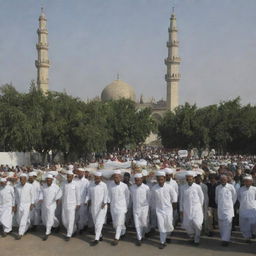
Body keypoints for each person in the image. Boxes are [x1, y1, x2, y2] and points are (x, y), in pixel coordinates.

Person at [151, 171, 177, 249]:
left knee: (168, 224)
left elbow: (174, 197)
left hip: (168, 210)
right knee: (161, 226)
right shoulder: (154, 188)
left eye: (162, 179)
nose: (160, 181)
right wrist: (153, 209)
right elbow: (152, 200)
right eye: (159, 180)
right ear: (157, 179)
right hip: (159, 210)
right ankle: (162, 241)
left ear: (164, 179)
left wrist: (174, 207)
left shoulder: (169, 187)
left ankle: (167, 236)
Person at [180, 171, 204, 246]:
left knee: (197, 224)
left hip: (197, 209)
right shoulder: (183, 187)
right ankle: (192, 236)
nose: (189, 180)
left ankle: (197, 239)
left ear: (193, 179)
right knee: (187, 225)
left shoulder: (198, 187)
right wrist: (181, 209)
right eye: (187, 179)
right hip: (187, 209)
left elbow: (201, 198)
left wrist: (200, 207)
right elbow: (181, 199)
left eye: (190, 179)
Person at [108, 170, 130, 246]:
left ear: (120, 178)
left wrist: (126, 207)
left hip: (122, 207)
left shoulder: (124, 186)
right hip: (113, 207)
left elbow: (127, 197)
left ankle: (116, 238)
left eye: (117, 177)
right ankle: (123, 231)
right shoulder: (110, 185)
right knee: (115, 223)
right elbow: (109, 196)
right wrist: (107, 203)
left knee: (119, 222)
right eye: (114, 177)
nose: (115, 179)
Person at [86, 171, 108, 246]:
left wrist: (104, 202)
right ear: (94, 178)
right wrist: (87, 201)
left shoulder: (104, 185)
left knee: (99, 222)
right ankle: (100, 235)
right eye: (96, 178)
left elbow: (106, 195)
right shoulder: (91, 185)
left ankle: (96, 239)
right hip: (93, 207)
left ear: (101, 178)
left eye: (98, 178)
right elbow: (88, 195)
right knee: (96, 222)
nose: (97, 179)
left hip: (102, 207)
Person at [215, 174, 237, 246]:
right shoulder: (218, 188)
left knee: (227, 224)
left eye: (224, 179)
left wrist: (229, 205)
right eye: (221, 180)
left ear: (227, 180)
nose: (223, 181)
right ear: (220, 180)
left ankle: (226, 240)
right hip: (220, 209)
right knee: (221, 225)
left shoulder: (231, 187)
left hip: (228, 209)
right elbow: (216, 199)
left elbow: (234, 197)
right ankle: (223, 238)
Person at [40, 174, 62, 241]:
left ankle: (47, 232)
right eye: (47, 180)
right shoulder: (44, 186)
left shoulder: (56, 187)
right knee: (45, 217)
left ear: (52, 180)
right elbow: (41, 193)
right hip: (44, 204)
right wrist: (40, 198)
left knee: (49, 217)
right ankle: (57, 225)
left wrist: (57, 198)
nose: (48, 181)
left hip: (52, 204)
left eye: (50, 180)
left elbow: (60, 193)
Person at [130, 173, 150, 246]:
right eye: (136, 180)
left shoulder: (146, 188)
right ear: (134, 180)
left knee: (144, 223)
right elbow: (131, 198)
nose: (138, 181)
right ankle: (139, 238)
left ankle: (145, 233)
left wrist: (147, 207)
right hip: (135, 208)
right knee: (137, 224)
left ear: (142, 179)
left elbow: (149, 198)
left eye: (139, 180)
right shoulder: (132, 188)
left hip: (144, 208)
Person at [61, 170, 81, 241]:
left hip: (72, 205)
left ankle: (69, 234)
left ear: (72, 177)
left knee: (70, 219)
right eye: (67, 176)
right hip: (64, 204)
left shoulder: (76, 184)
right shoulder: (63, 183)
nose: (68, 178)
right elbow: (60, 193)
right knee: (64, 220)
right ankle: (74, 229)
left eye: (70, 176)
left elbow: (78, 195)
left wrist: (78, 203)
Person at [14, 173, 35, 239]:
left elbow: (33, 195)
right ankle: (27, 226)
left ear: (26, 179)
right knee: (19, 218)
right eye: (21, 179)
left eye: (23, 179)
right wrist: (15, 205)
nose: (22, 181)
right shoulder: (17, 186)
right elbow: (16, 196)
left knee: (24, 218)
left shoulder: (30, 186)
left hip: (27, 204)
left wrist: (32, 203)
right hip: (19, 204)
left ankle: (20, 233)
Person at [237, 175, 256, 243]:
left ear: (251, 182)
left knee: (253, 223)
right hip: (243, 209)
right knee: (244, 224)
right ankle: (247, 237)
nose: (247, 182)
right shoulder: (241, 189)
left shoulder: (254, 189)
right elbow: (239, 198)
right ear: (244, 182)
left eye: (249, 181)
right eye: (246, 181)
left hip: (252, 209)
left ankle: (253, 233)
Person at [74, 168, 89, 234]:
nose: (79, 173)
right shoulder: (74, 180)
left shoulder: (86, 181)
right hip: (75, 201)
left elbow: (88, 192)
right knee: (76, 215)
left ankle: (81, 228)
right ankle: (77, 227)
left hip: (83, 202)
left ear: (83, 173)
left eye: (81, 172)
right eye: (78, 172)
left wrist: (86, 200)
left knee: (82, 215)